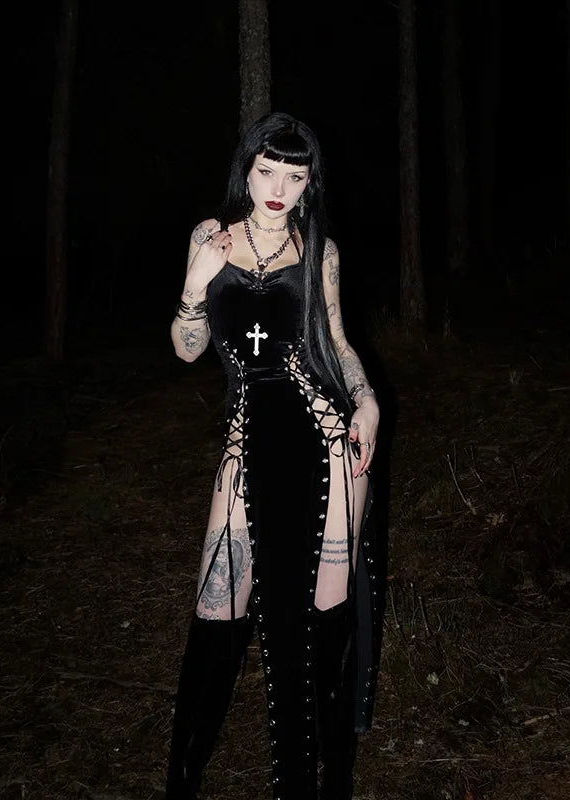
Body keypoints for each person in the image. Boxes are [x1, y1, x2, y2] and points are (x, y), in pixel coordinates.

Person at [166, 111, 384, 800]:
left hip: (322, 438)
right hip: (246, 439)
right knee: (218, 612)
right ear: (247, 170)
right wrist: (195, 285)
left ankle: (319, 782)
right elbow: (188, 349)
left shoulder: (319, 250)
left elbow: (338, 344)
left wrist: (367, 400)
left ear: (310, 182)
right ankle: (184, 778)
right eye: (267, 172)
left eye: (295, 176)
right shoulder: (211, 237)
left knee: (320, 627)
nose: (278, 189)